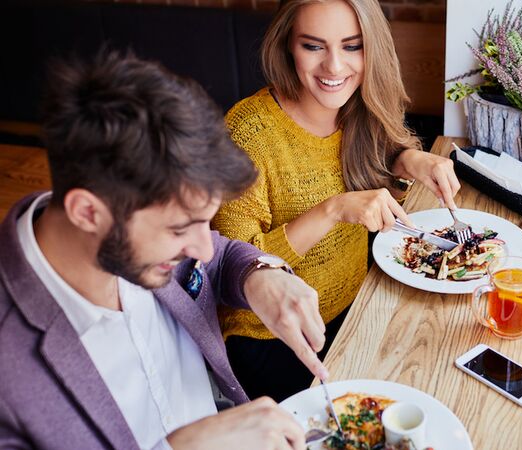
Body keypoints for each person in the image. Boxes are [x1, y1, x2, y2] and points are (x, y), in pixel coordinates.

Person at [0, 50, 326, 450]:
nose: (203, 250)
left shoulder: (138, 229)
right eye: (180, 229)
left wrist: (259, 274)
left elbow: (218, 258)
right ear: (87, 212)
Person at [211, 0, 462, 402]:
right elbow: (233, 270)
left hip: (356, 304)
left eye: (352, 46)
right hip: (273, 336)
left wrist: (406, 158)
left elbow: (374, 161)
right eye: (313, 46)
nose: (334, 67)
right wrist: (332, 210)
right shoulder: (247, 135)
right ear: (287, 46)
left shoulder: (358, 104)